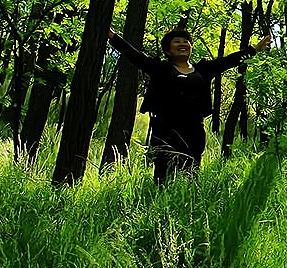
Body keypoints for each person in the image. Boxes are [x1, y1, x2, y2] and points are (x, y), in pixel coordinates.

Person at [107, 27, 270, 184]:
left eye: (186, 41)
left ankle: (188, 201)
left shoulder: (203, 70)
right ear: (168, 50)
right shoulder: (160, 69)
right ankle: (161, 200)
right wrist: (112, 37)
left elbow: (228, 61)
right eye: (177, 41)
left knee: (191, 174)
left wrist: (254, 50)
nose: (183, 44)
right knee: (163, 175)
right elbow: (135, 56)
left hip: (194, 131)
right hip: (165, 129)